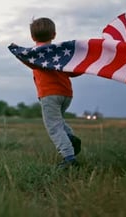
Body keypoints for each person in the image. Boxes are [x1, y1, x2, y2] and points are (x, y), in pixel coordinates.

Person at [29, 17, 82, 169]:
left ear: (32, 37)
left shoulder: (33, 54)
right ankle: (70, 138)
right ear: (54, 34)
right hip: (66, 93)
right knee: (58, 121)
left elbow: (22, 57)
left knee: (53, 126)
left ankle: (69, 158)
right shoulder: (61, 53)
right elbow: (72, 72)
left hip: (49, 94)